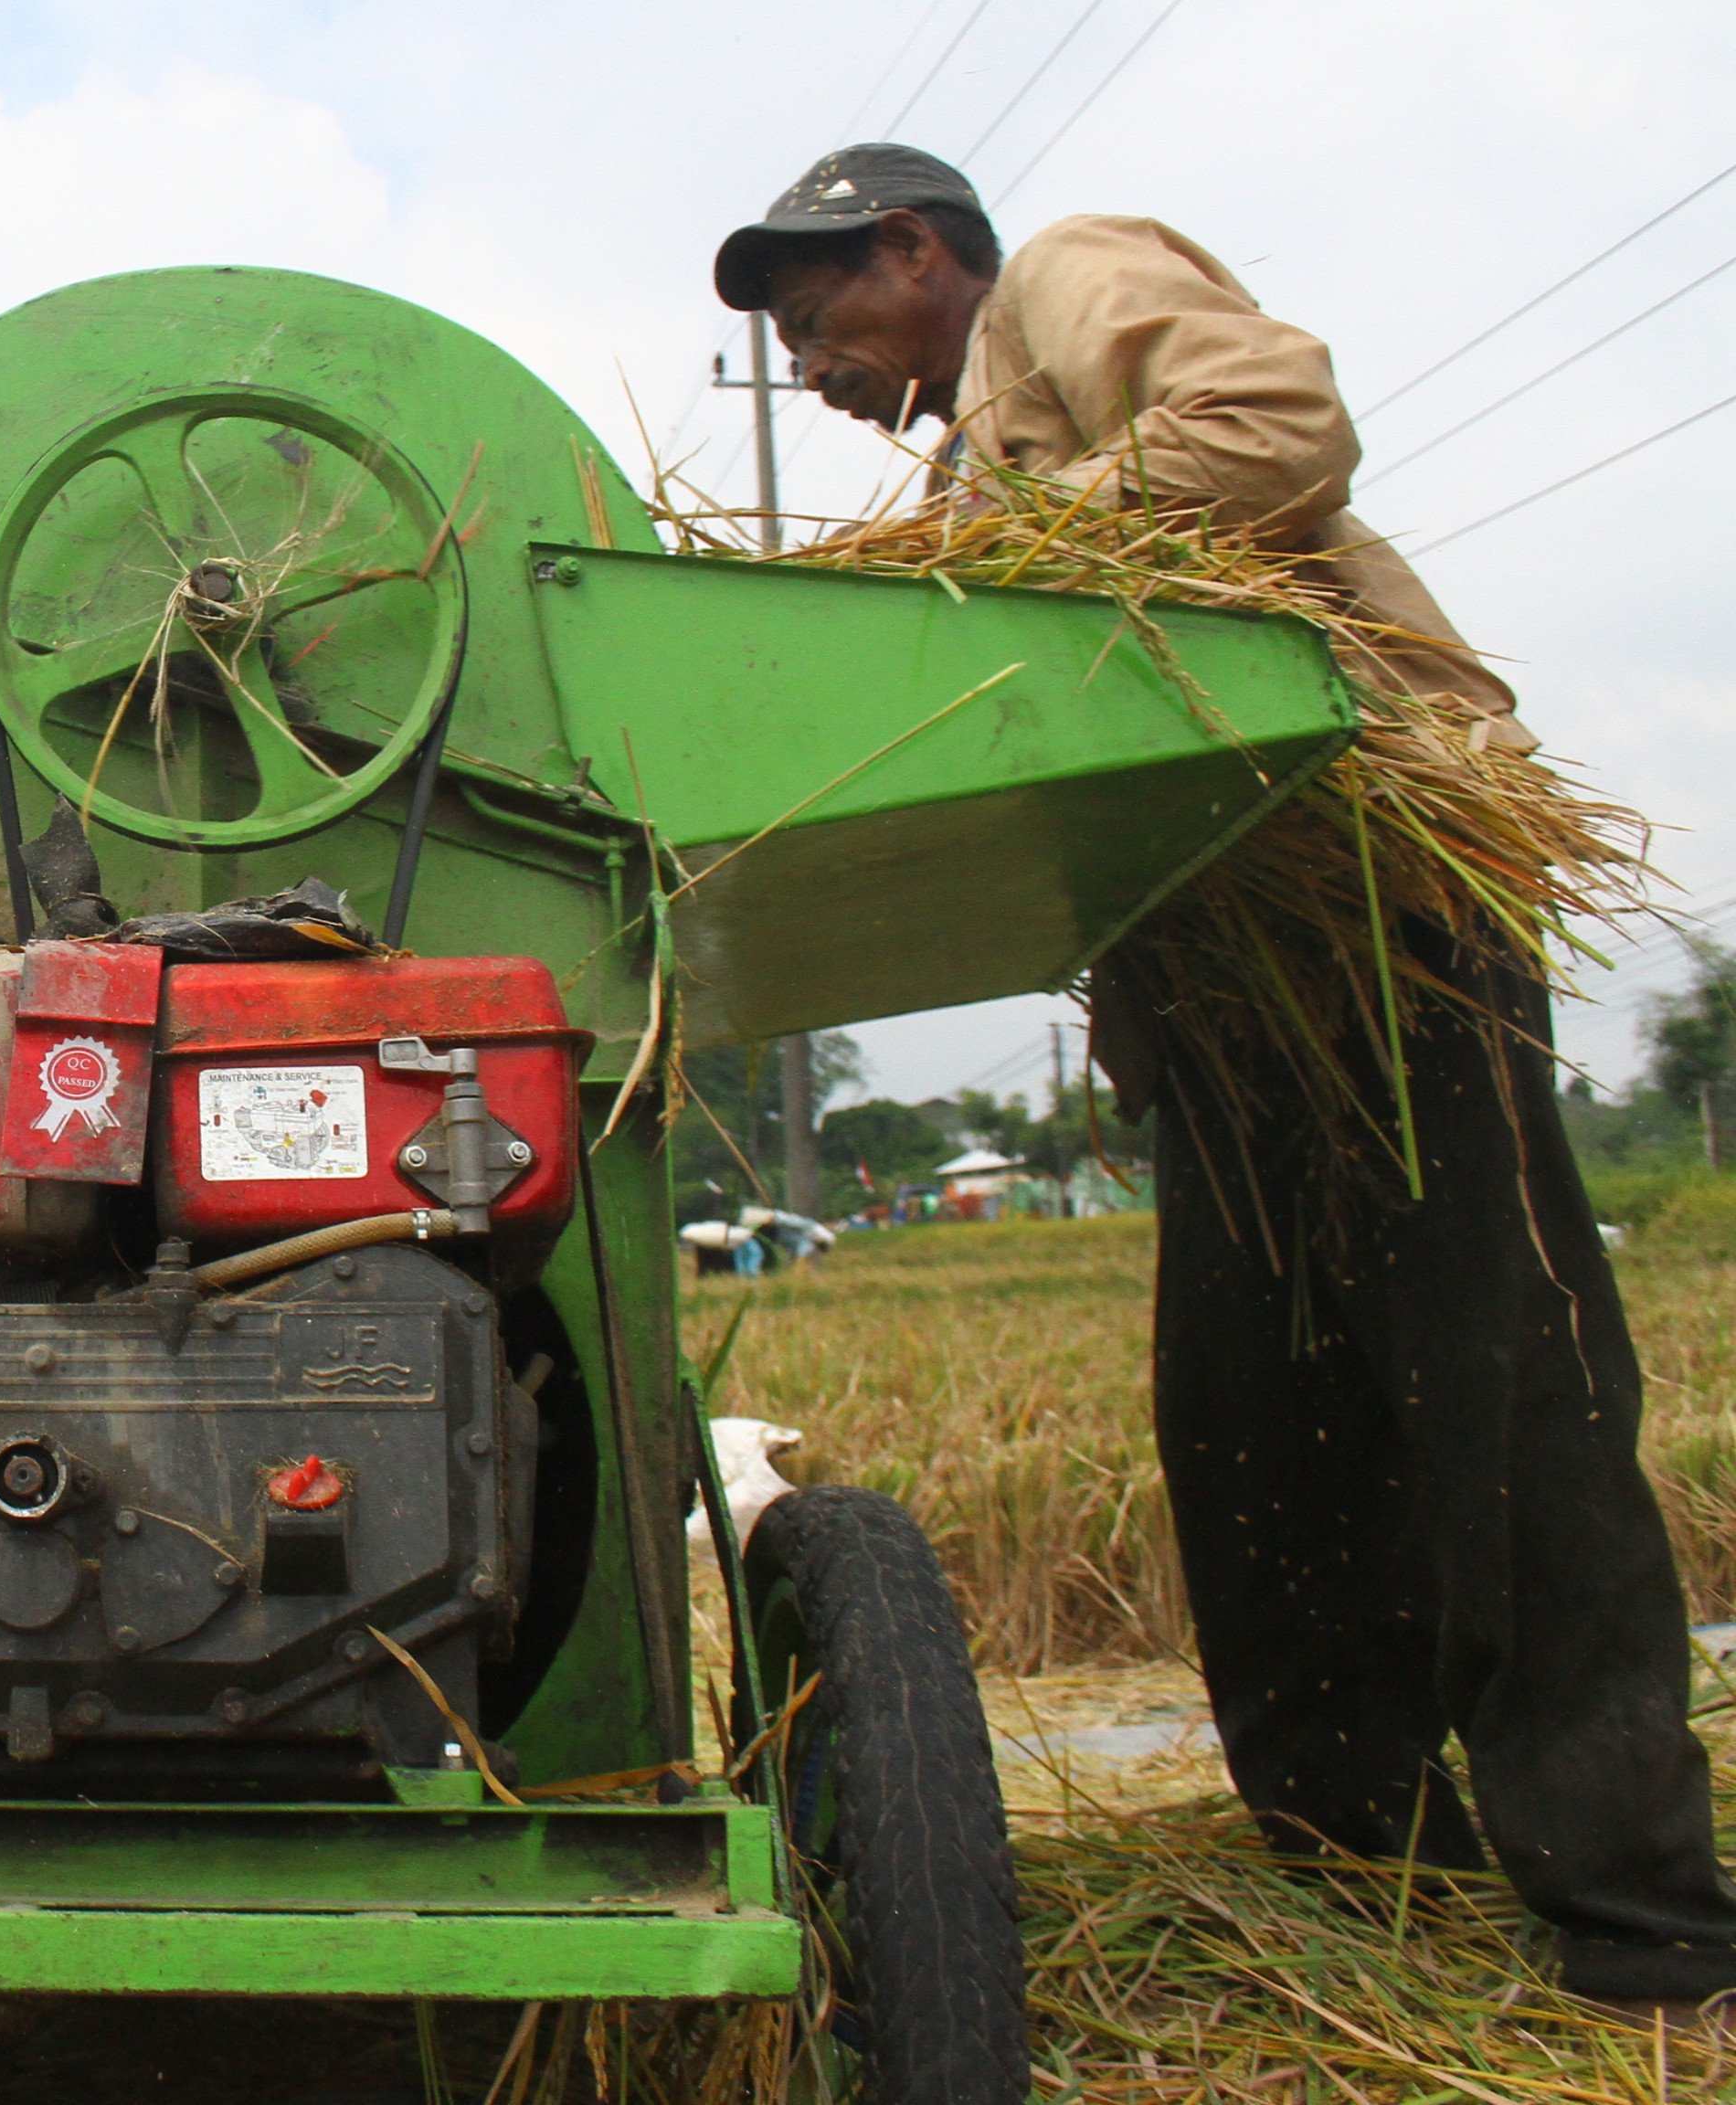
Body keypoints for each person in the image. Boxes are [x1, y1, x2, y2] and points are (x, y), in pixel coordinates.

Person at [712, 143, 1736, 2004]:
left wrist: (1024, 551)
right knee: (1255, 1432)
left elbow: (1274, 422)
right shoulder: (961, 475)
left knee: (1502, 1405)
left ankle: (1642, 1921)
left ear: (914, 253)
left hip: (1371, 924)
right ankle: (1364, 1863)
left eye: (813, 323)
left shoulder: (1065, 286)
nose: (811, 373)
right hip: (1224, 993)